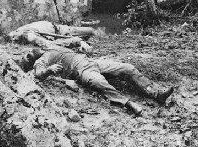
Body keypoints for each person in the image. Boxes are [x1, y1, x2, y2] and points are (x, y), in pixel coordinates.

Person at [19, 47, 174, 116]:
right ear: (31, 61)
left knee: (128, 68)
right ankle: (127, 103)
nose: (30, 51)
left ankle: (156, 94)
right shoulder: (41, 60)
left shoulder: (49, 49)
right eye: (27, 55)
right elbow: (38, 74)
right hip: (83, 70)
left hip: (93, 62)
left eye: (29, 51)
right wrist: (48, 70)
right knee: (100, 83)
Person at [8, 20, 96, 53]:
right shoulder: (20, 31)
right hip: (52, 29)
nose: (14, 38)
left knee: (89, 31)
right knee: (88, 31)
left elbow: (48, 45)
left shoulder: (27, 34)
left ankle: (95, 32)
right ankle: (93, 32)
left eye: (13, 37)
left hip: (56, 30)